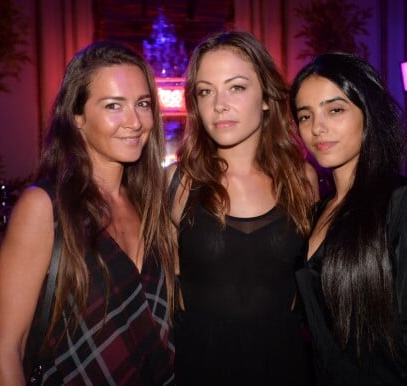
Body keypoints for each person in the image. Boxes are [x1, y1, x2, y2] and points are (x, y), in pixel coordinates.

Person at [0, 41, 176, 385]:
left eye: (143, 104)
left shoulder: (152, 207)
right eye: (113, 106)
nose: (134, 121)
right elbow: (4, 351)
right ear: (77, 118)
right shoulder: (45, 207)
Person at [290, 52, 407, 385]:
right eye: (305, 115)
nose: (317, 127)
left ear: (368, 115)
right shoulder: (315, 212)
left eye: (335, 109)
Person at [167, 30, 319, 386]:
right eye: (206, 91)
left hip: (283, 364)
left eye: (236, 87)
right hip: (200, 365)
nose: (219, 103)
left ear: (266, 97)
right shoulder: (179, 183)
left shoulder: (302, 179)